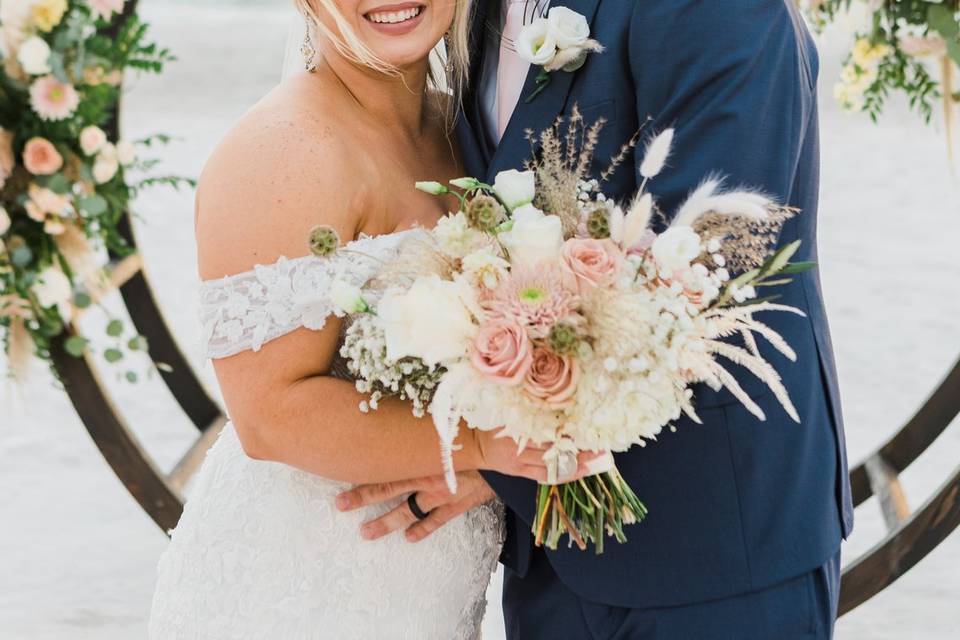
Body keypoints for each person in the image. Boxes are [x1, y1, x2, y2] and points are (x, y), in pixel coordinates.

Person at [342, 1, 854, 637]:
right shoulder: (475, 10)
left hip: (715, 543)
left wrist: (493, 460)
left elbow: (707, 266)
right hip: (553, 551)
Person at [148, 1, 598, 637]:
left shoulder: (459, 128)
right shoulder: (283, 149)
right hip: (300, 587)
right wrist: (486, 448)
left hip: (431, 585)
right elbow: (268, 416)